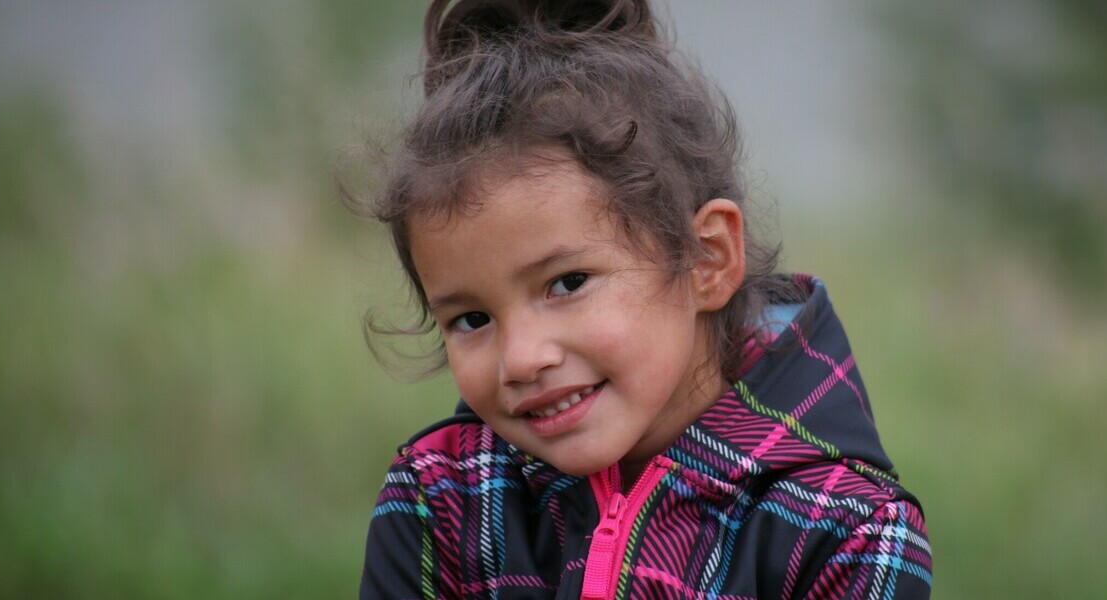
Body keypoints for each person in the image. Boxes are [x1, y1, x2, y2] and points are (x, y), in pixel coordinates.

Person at [358, 0, 931, 597]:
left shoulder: (847, 535)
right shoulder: (440, 501)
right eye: (472, 318)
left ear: (707, 259)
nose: (522, 358)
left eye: (567, 283)